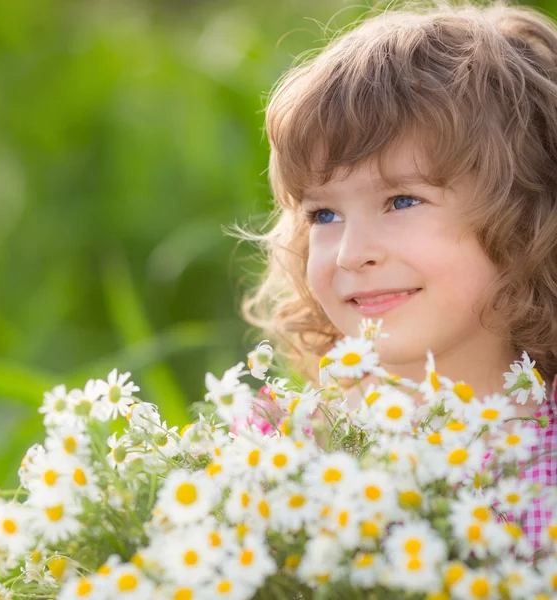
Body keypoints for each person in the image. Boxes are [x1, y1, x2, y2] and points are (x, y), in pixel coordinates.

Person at [237, 0, 557, 550]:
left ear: (527, 216)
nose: (350, 255)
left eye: (402, 200)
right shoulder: (288, 450)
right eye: (324, 215)